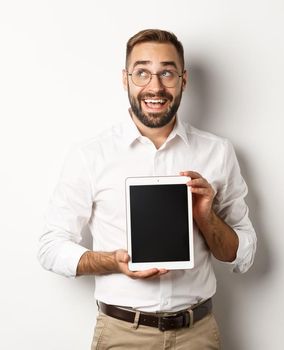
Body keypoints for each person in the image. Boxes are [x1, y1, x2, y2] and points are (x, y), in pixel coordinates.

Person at [38, 29, 257, 349]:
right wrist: (113, 261)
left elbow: (241, 256)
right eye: (142, 72)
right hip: (122, 333)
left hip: (197, 333)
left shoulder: (217, 152)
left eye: (167, 72)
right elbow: (50, 247)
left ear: (184, 80)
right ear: (125, 79)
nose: (155, 86)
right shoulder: (91, 155)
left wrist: (206, 218)